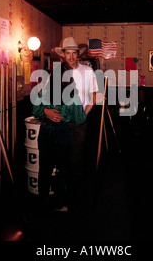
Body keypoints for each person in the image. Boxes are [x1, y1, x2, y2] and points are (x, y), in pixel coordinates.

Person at [33, 61, 87, 211]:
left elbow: (35, 111)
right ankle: (60, 203)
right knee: (63, 170)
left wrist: (45, 112)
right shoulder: (73, 94)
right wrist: (88, 107)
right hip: (63, 133)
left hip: (46, 132)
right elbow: (79, 119)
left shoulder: (44, 91)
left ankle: (42, 202)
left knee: (44, 169)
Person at [53, 37, 98, 213]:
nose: (71, 57)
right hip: (61, 123)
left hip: (79, 123)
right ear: (63, 55)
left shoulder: (88, 71)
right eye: (68, 53)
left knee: (77, 162)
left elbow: (95, 95)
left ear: (78, 54)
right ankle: (60, 201)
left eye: (74, 53)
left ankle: (76, 202)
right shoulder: (57, 73)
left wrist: (84, 114)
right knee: (61, 163)